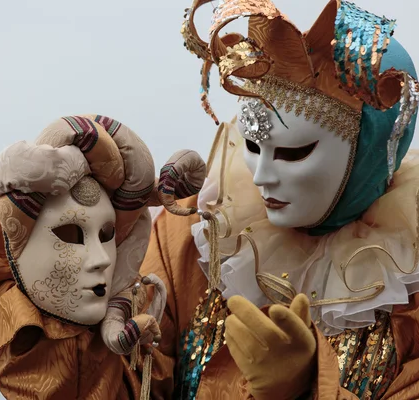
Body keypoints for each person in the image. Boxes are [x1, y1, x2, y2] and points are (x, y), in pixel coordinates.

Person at [143, 0, 419, 398]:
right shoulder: (196, 235)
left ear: (371, 153)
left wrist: (307, 387)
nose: (260, 176)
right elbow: (128, 379)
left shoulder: (408, 289)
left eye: (293, 153)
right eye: (253, 147)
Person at [0, 114, 205, 399]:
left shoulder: (144, 330)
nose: (102, 259)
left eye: (107, 234)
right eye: (71, 235)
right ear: (11, 250)